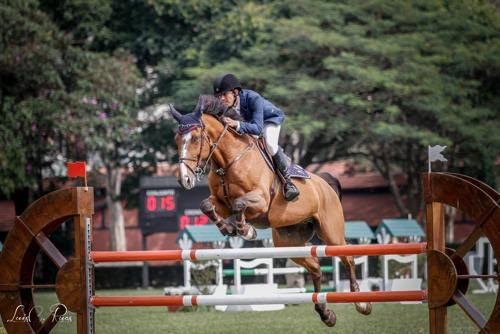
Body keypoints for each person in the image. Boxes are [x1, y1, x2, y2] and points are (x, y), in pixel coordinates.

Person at [213, 73, 300, 201]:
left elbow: (258, 128)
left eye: (224, 95)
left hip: (269, 120)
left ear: (235, 92)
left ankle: (288, 183)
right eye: (219, 96)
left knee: (270, 144)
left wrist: (236, 124)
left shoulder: (253, 98)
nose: (221, 99)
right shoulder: (225, 107)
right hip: (250, 124)